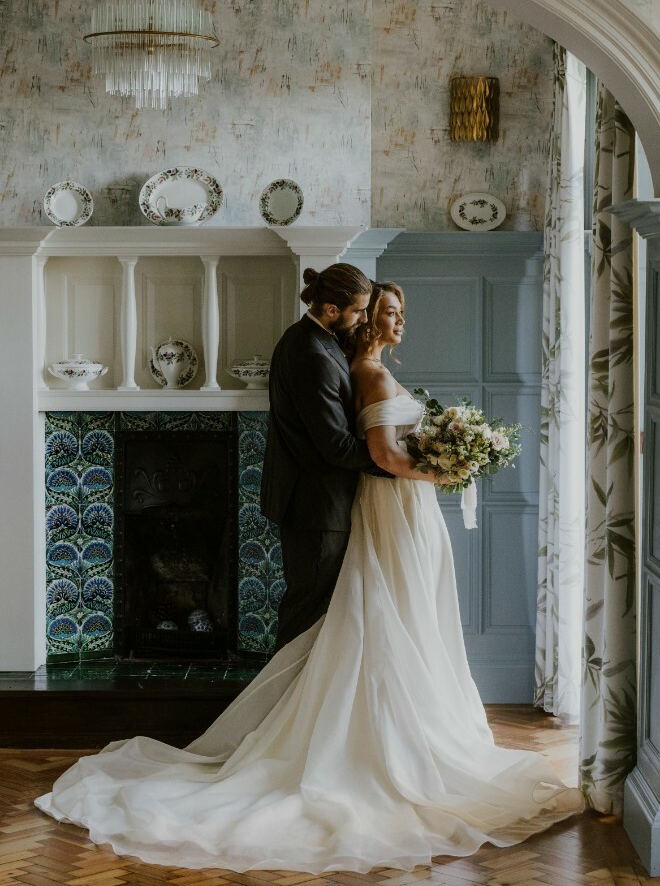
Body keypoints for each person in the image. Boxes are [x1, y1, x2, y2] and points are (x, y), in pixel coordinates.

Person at [35, 281, 583, 874]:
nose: (394, 321)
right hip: (329, 506)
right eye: (382, 312)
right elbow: (354, 447)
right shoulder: (319, 355)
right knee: (324, 620)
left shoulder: (340, 356)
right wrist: (438, 466)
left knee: (355, 619)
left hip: (370, 506)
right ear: (345, 313)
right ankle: (288, 739)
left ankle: (300, 733)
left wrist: (439, 458)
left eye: (396, 311)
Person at [260, 262, 383, 650]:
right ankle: (281, 706)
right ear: (331, 309)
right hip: (315, 507)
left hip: (317, 502)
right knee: (306, 614)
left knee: (317, 611)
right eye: (359, 310)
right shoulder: (310, 352)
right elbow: (336, 446)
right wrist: (397, 465)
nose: (365, 318)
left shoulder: (320, 339)